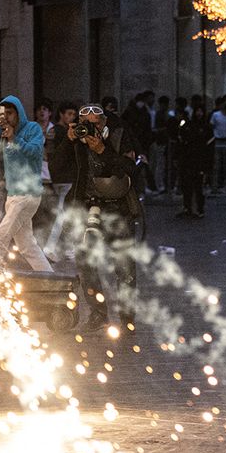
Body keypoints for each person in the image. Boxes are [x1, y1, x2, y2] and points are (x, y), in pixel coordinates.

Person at [66, 103, 143, 329]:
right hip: (87, 206)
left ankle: (127, 316)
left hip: (117, 208)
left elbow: (129, 168)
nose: (92, 129)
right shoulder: (77, 139)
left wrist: (103, 150)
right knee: (85, 261)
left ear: (104, 122)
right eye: (86, 125)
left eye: (96, 124)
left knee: (124, 264)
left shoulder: (120, 135)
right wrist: (67, 141)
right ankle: (98, 312)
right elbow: (58, 165)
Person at [0, 96, 52, 273]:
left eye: (11, 113)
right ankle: (49, 279)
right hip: (13, 195)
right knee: (27, 245)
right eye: (4, 113)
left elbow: (35, 151)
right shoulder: (5, 131)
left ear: (19, 113)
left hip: (27, 195)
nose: (7, 117)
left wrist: (14, 139)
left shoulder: (32, 128)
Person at [44, 102, 78, 261]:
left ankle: (68, 249)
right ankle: (51, 247)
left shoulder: (57, 131)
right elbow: (50, 155)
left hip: (61, 177)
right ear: (61, 114)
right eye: (69, 113)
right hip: (64, 177)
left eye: (73, 114)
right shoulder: (60, 132)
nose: (72, 117)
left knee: (65, 213)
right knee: (63, 214)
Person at [174, 104, 213, 218]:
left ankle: (199, 209)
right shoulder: (187, 126)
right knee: (186, 185)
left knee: (198, 186)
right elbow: (181, 143)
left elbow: (209, 147)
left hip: (200, 161)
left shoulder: (206, 128)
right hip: (187, 160)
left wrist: (208, 164)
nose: (199, 114)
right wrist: (178, 157)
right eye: (197, 111)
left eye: (201, 111)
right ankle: (187, 208)